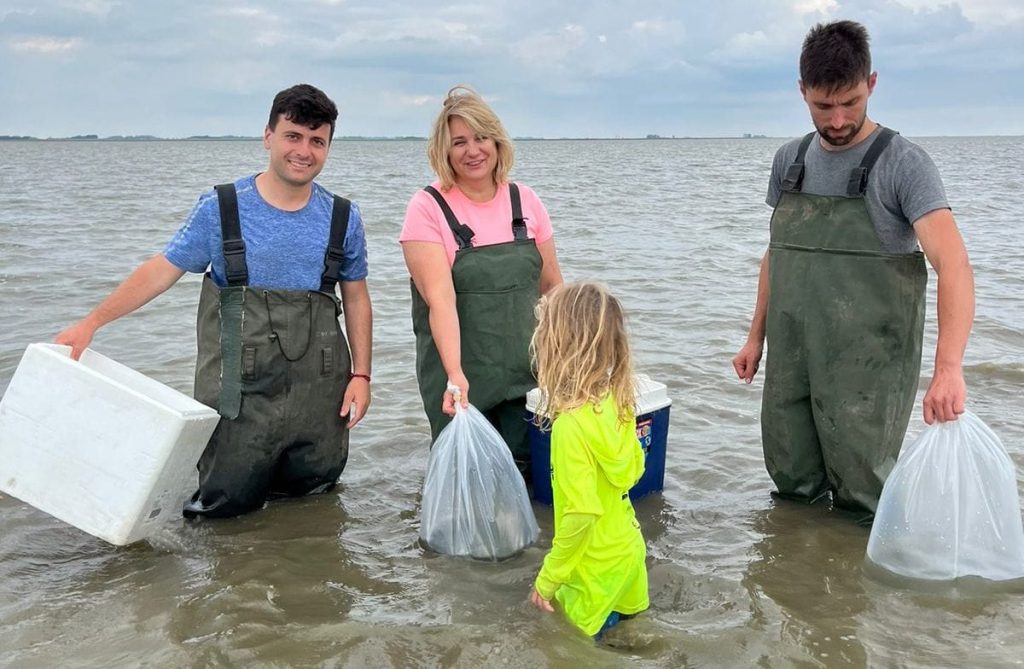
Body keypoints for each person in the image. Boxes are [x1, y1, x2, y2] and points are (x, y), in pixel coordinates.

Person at [55, 84, 373, 519]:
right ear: (268, 137)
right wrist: (91, 323)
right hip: (237, 398)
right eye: (293, 136)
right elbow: (160, 271)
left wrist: (362, 375)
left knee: (313, 513)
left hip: (320, 402)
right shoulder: (221, 208)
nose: (304, 150)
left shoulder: (343, 217)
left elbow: (356, 299)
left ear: (328, 147)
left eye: (317, 141)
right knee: (222, 515)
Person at [732, 20, 975, 519]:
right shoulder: (790, 161)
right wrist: (755, 337)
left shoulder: (904, 165)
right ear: (802, 92)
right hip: (792, 360)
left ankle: (861, 592)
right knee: (791, 489)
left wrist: (948, 369)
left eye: (851, 102)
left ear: (872, 84)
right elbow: (777, 253)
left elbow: (954, 266)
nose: (838, 119)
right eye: (824, 106)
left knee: (864, 502)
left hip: (870, 368)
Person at [400, 85, 563, 473]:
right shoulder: (427, 207)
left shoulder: (526, 201)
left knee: (534, 479)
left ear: (497, 141)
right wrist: (455, 375)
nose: (473, 151)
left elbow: (554, 288)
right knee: (467, 480)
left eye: (481, 137)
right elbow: (440, 301)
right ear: (444, 150)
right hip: (461, 378)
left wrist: (569, 359)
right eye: (459, 142)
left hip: (530, 374)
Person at [527, 282, 649, 639]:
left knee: (568, 652)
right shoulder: (619, 400)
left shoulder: (569, 427)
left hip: (592, 570)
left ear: (557, 348)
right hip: (628, 552)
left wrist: (548, 579)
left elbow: (581, 515)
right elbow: (634, 469)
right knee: (632, 642)